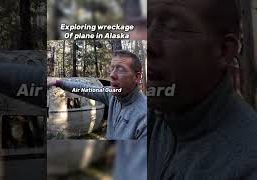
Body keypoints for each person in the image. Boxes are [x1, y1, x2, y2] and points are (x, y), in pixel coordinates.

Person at [148, 0, 257, 179]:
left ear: (224, 51)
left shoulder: (247, 165)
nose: (148, 44)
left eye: (173, 28)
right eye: (146, 24)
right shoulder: (153, 117)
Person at [48, 50, 147, 140]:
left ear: (137, 77)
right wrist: (57, 82)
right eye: (112, 68)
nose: (112, 75)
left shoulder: (145, 117)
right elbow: (85, 89)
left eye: (120, 69)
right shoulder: (113, 95)